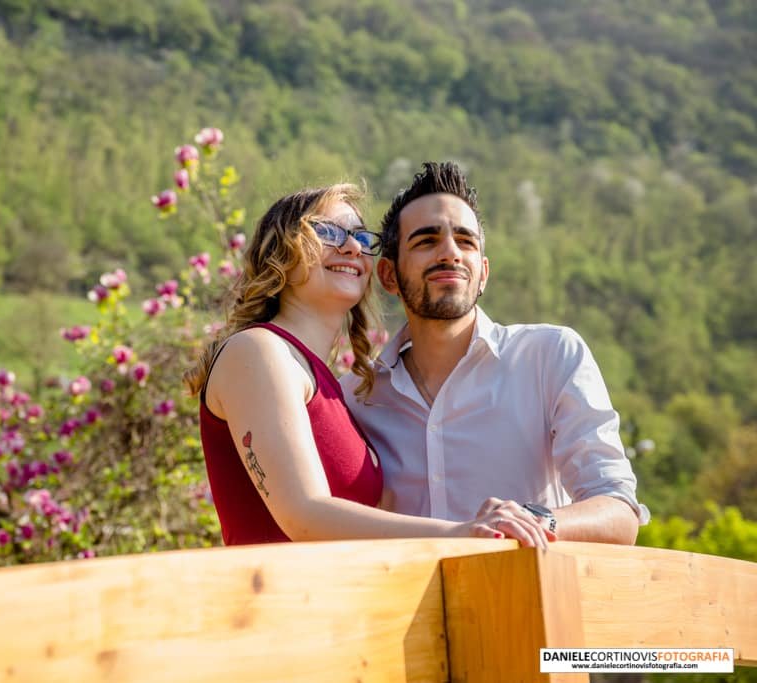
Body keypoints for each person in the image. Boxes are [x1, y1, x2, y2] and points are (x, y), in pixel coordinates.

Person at [185, 183, 554, 547]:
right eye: (328, 232)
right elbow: (303, 515)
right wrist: (462, 532)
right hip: (276, 601)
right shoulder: (257, 350)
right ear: (281, 252)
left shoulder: (334, 388)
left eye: (362, 238)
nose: (351, 247)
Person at [342, 162, 649, 544]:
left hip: (525, 601)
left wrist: (533, 521)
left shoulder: (550, 357)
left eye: (466, 241)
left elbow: (619, 511)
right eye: (426, 241)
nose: (450, 253)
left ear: (483, 272)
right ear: (389, 276)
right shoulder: (355, 395)